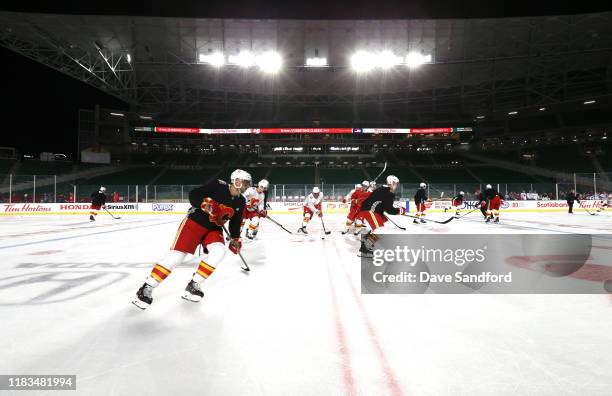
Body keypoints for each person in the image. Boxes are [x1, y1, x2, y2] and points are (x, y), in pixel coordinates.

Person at [132, 170, 250, 309]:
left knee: (219, 251)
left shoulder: (241, 201)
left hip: (213, 229)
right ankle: (147, 287)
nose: (247, 186)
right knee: (177, 257)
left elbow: (235, 222)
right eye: (245, 182)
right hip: (195, 222)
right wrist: (204, 204)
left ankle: (194, 285)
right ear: (236, 181)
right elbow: (194, 194)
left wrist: (235, 238)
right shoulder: (218, 185)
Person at [355, 175, 406, 257]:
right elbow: (390, 210)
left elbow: (380, 202)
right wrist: (400, 210)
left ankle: (367, 241)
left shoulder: (381, 188)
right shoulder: (388, 193)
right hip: (370, 211)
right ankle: (364, 249)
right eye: (396, 184)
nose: (397, 186)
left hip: (373, 211)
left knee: (380, 228)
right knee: (379, 230)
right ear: (391, 183)